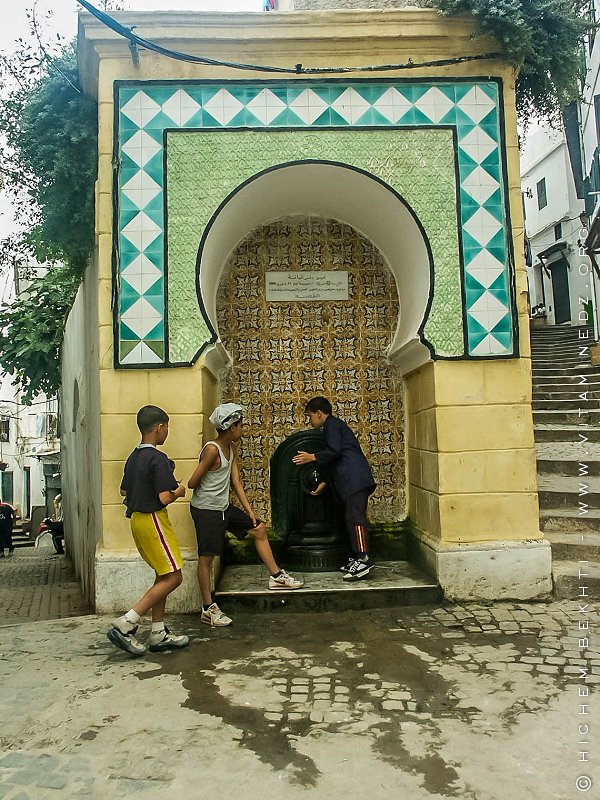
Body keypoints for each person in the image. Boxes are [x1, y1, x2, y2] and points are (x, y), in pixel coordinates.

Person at [188, 402, 304, 627]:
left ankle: (277, 576)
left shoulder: (230, 448)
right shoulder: (212, 449)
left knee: (259, 528)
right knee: (206, 558)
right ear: (231, 427)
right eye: (240, 425)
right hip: (207, 510)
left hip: (223, 507)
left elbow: (236, 481)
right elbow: (194, 482)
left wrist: (250, 511)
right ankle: (207, 608)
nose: (243, 429)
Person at [107, 405, 190, 657]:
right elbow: (164, 497)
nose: (167, 433)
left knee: (162, 575)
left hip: (137, 521)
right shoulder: (158, 458)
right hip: (154, 520)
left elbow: (123, 490)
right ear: (159, 427)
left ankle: (158, 633)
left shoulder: (133, 457)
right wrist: (179, 490)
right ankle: (127, 622)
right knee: (175, 576)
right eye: (167, 428)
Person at [292, 396, 376, 581]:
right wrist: (326, 482)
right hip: (352, 480)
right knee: (351, 518)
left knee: (356, 518)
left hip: (355, 480)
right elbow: (336, 456)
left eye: (310, 416)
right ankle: (357, 557)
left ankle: (364, 558)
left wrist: (312, 457)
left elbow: (334, 451)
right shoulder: (333, 426)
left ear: (319, 413)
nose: (309, 420)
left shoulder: (332, 425)